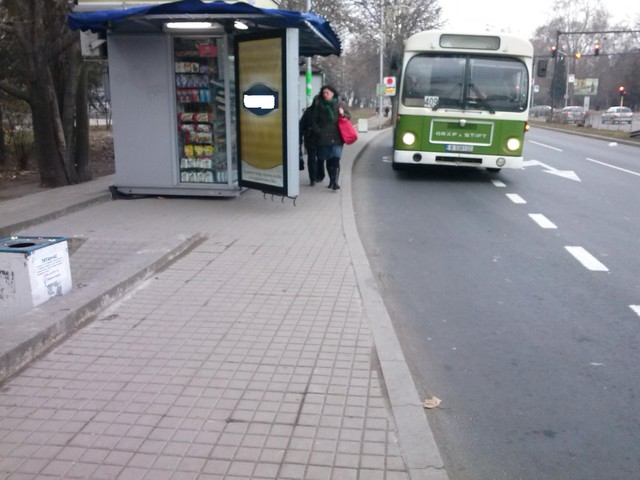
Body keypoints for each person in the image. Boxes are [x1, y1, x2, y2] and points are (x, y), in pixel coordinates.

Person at [312, 85, 350, 191]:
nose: (325, 94)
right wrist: (318, 131)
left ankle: (335, 182)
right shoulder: (319, 105)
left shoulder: (340, 104)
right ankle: (331, 180)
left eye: (327, 92)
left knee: (336, 160)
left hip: (338, 137)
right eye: (323, 93)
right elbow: (313, 120)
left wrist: (343, 114)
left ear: (333, 93)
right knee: (329, 161)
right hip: (324, 138)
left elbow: (348, 116)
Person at [299, 95, 320, 185]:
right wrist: (300, 139)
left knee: (320, 159)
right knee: (311, 159)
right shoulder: (308, 111)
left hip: (322, 140)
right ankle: (312, 178)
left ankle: (319, 175)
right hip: (310, 139)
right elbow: (301, 125)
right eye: (317, 101)